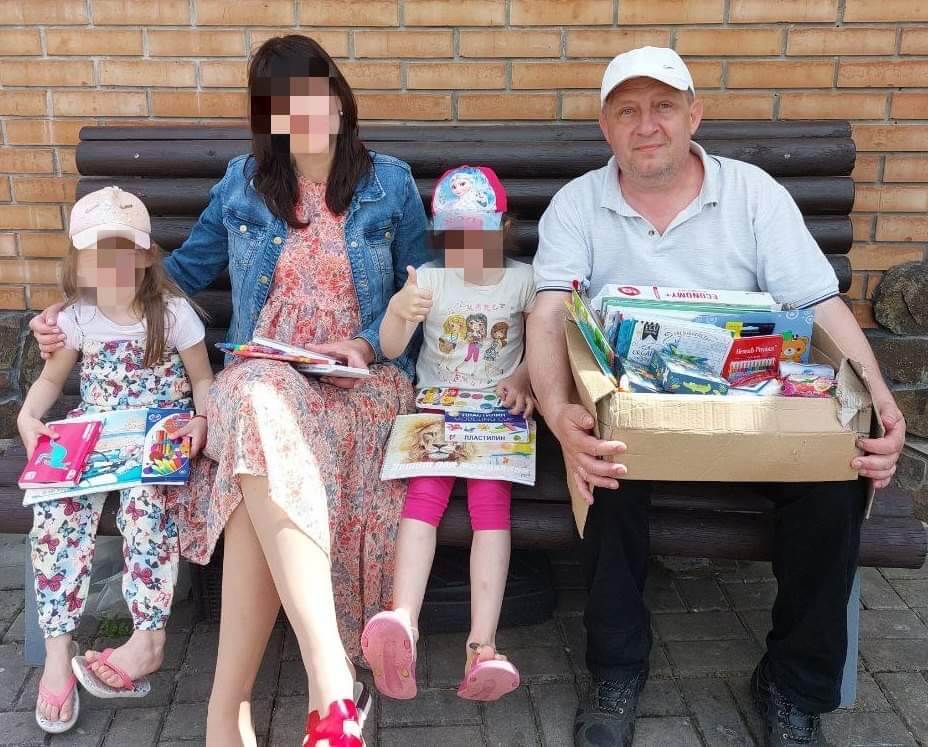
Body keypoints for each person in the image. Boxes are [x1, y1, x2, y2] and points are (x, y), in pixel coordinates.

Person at [29, 35, 429, 746]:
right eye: (285, 103)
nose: (306, 111)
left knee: (249, 435)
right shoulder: (243, 186)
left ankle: (231, 713)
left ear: (337, 96)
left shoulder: (388, 183)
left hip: (362, 385)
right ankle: (329, 688)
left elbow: (426, 289)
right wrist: (75, 312)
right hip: (264, 380)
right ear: (270, 118)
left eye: (316, 91)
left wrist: (366, 340)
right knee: (253, 399)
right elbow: (169, 277)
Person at [526, 47, 907, 747]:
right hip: (642, 426)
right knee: (599, 456)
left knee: (838, 480)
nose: (648, 125)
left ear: (694, 114)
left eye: (664, 107)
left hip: (761, 419)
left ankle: (793, 686)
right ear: (606, 128)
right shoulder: (579, 203)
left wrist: (880, 402)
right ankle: (616, 669)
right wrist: (559, 416)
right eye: (628, 111)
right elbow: (549, 312)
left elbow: (819, 305)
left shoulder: (753, 193)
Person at [18, 186, 212, 734]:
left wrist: (202, 419)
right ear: (78, 263)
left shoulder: (173, 315)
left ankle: (146, 629)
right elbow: (53, 378)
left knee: (147, 511)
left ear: (147, 255)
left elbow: (202, 378)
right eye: (96, 256)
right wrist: (28, 417)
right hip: (95, 430)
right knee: (56, 514)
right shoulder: (75, 320)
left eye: (122, 253)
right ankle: (58, 649)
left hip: (157, 432)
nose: (110, 267)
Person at [362, 166, 535, 703]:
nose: (466, 249)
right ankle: (403, 623)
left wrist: (524, 377)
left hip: (498, 418)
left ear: (503, 227)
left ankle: (481, 646)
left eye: (478, 236)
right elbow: (391, 348)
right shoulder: (430, 280)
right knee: (423, 500)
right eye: (454, 238)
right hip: (435, 412)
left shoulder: (523, 280)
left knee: (490, 510)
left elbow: (541, 344)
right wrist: (397, 311)